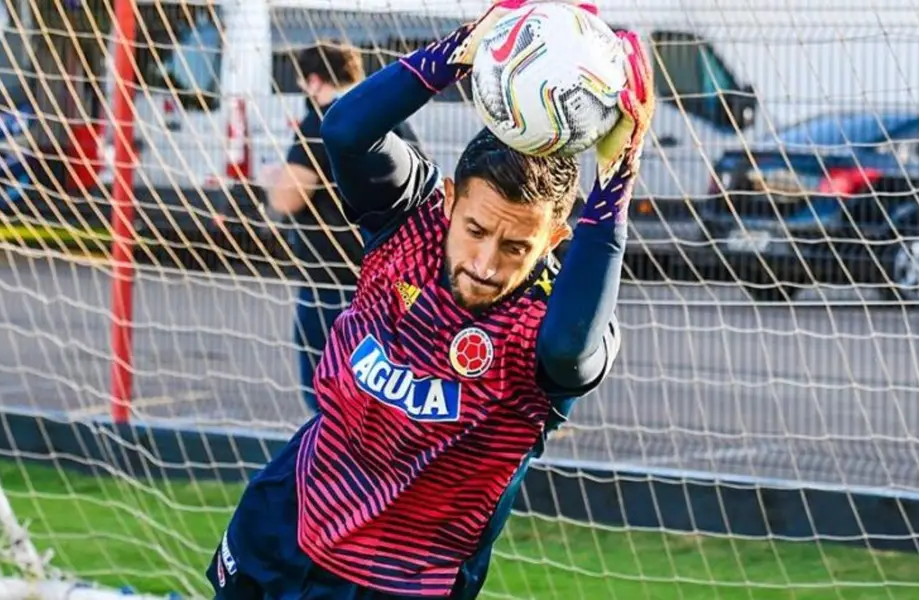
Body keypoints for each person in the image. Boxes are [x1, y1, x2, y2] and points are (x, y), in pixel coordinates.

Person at [208, 0, 653, 597]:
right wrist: (463, 48)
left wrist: (618, 175)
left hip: (403, 579)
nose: (484, 262)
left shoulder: (552, 317)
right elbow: (345, 129)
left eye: (516, 246)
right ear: (448, 201)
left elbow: (572, 350)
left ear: (555, 238)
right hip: (287, 519)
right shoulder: (408, 223)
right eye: (474, 230)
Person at [264, 40, 425, 415]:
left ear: (315, 81)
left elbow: (287, 198)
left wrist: (273, 180)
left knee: (328, 397)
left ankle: (337, 468)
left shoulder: (323, 122)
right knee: (387, 397)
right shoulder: (392, 120)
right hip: (394, 283)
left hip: (332, 284)